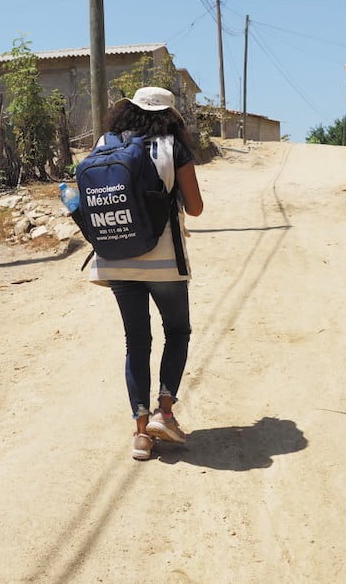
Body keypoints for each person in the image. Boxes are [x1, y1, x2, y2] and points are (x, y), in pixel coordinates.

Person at [87, 86, 204, 461]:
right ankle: (164, 414)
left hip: (115, 256)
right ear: (170, 116)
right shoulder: (173, 147)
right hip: (163, 261)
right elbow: (196, 207)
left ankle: (141, 435)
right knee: (178, 332)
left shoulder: (104, 143)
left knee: (136, 341)